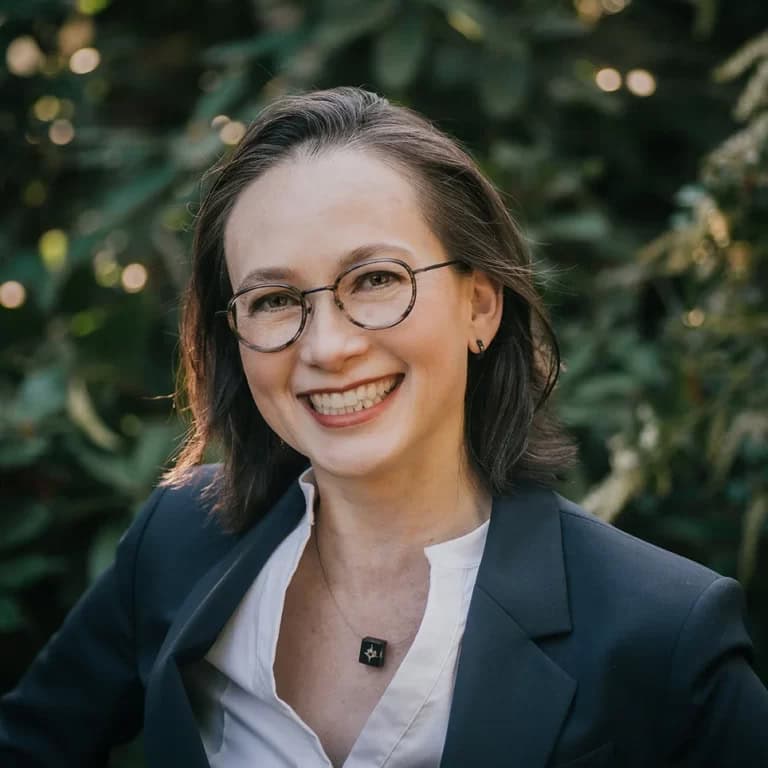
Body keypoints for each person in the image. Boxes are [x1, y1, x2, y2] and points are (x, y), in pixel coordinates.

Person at [1, 87, 767, 768]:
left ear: (480, 304)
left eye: (375, 281)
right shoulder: (176, 541)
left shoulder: (661, 631)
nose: (327, 347)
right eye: (273, 300)